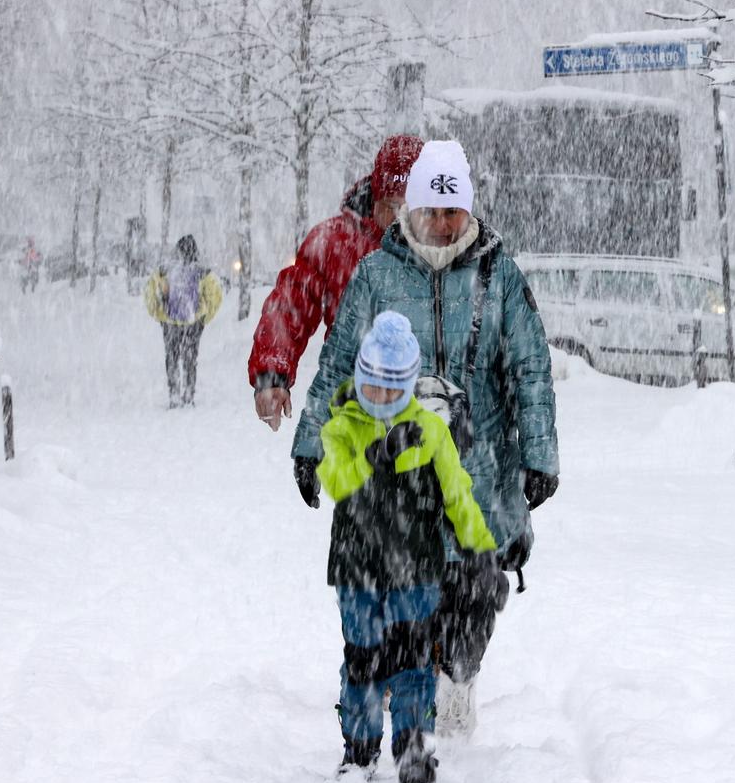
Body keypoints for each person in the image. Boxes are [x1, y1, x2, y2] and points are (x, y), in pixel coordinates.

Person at [292, 139, 560, 734]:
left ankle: (458, 672)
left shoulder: (501, 276)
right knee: (396, 586)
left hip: (481, 470)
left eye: (452, 211)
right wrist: (311, 444)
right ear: (410, 209)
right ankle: (400, 682)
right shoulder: (376, 275)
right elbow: (338, 364)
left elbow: (530, 368)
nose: (441, 224)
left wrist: (539, 452)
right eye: (431, 210)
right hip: (398, 473)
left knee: (477, 587)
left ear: (468, 210)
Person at [317, 310, 497, 783]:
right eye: (373, 386)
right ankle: (358, 752)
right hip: (358, 572)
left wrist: (482, 550)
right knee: (363, 664)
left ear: (409, 385)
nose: (380, 399)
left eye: (392, 390)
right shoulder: (342, 426)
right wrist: (376, 458)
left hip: (415, 573)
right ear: (361, 376)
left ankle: (414, 749)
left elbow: (458, 494)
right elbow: (336, 481)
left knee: (415, 665)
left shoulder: (430, 432)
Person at [248, 134, 425, 431]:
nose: (400, 220)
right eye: (392, 206)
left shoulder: (448, 245)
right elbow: (289, 306)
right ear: (375, 198)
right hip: (353, 411)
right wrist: (271, 375)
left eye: (412, 209)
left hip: (428, 416)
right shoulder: (333, 242)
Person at [143, 234, 222, 408]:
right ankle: (188, 393)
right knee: (190, 359)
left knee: (171, 357)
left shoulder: (164, 270)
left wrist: (158, 314)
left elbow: (149, 292)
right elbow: (215, 296)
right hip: (193, 322)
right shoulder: (202, 271)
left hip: (170, 322)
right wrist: (204, 317)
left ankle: (174, 394)